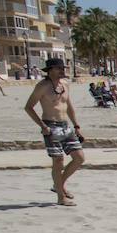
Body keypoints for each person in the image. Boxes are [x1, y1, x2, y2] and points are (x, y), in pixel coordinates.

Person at [23, 58, 87, 206]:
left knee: (79, 158)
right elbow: (28, 107)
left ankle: (59, 185)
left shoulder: (65, 84)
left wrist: (77, 125)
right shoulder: (42, 86)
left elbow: (69, 105)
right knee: (58, 161)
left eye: (63, 68)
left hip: (66, 125)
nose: (62, 71)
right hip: (50, 126)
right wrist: (42, 126)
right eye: (59, 68)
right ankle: (60, 197)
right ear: (50, 70)